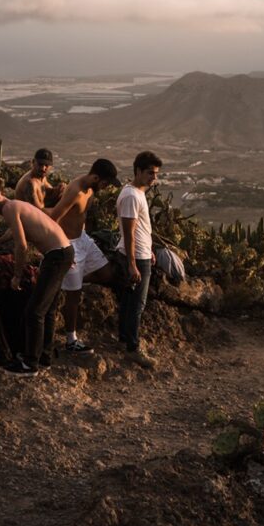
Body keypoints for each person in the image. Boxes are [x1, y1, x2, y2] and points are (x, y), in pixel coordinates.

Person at [0, 174, 74, 377]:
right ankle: (44, 357)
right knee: (47, 310)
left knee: (34, 311)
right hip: (63, 251)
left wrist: (17, 275)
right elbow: (17, 229)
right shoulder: (14, 205)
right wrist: (0, 240)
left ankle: (30, 363)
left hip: (57, 255)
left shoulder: (10, 208)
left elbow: (21, 245)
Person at [46, 158, 121, 353]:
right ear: (95, 177)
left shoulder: (90, 189)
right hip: (69, 243)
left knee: (107, 274)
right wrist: (61, 249)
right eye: (104, 183)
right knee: (74, 296)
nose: (105, 188)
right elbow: (54, 219)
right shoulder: (76, 191)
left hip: (84, 239)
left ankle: (69, 281)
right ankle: (71, 340)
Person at [116, 151, 162, 369]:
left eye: (156, 174)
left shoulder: (136, 192)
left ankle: (125, 340)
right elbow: (129, 232)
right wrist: (133, 263)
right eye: (150, 173)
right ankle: (133, 349)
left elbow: (141, 229)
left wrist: (150, 249)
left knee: (128, 301)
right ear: (138, 171)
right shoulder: (132, 196)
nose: (154, 178)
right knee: (137, 304)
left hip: (142, 254)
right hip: (135, 257)